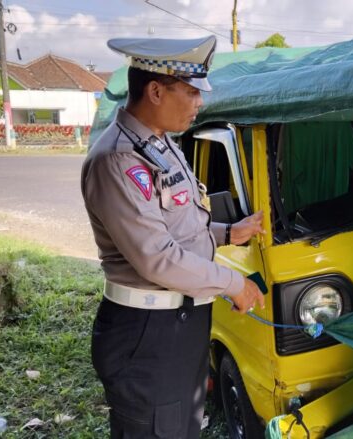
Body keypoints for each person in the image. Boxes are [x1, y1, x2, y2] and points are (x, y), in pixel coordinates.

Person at [81, 35, 264, 438]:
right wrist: (234, 283)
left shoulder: (160, 144)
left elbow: (181, 228)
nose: (200, 102)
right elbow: (158, 258)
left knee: (181, 427)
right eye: (192, 91)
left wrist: (230, 232)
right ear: (156, 91)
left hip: (178, 323)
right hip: (147, 333)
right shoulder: (118, 160)